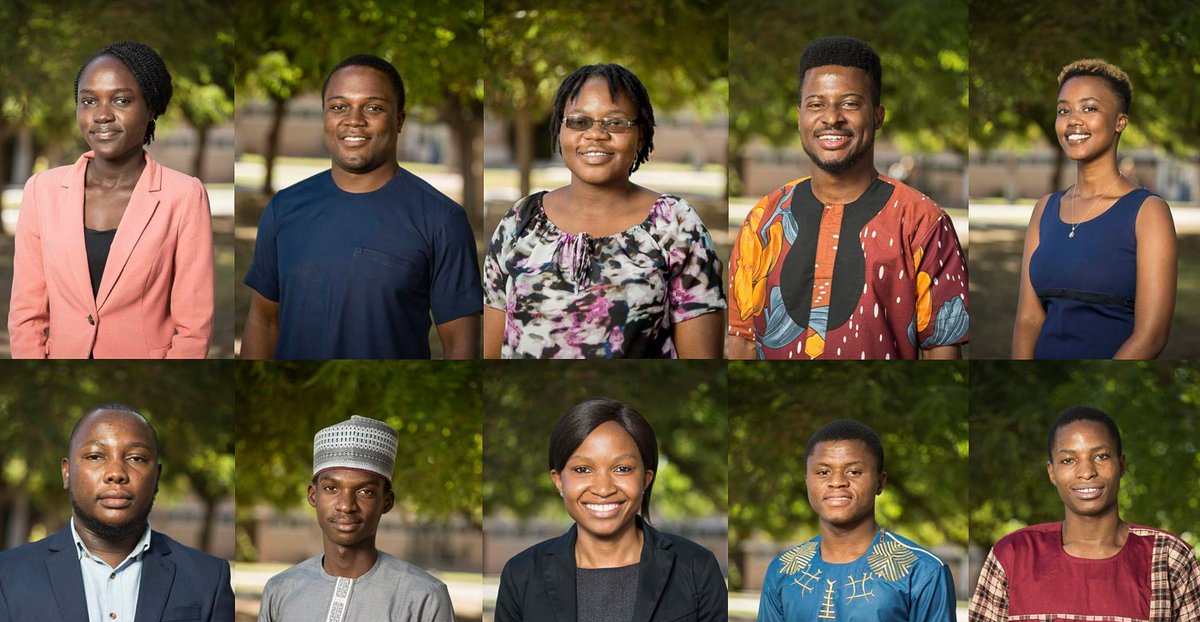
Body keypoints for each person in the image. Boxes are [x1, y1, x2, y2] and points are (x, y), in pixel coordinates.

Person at [727, 37, 969, 360]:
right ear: (799, 116)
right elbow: (742, 341)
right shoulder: (764, 219)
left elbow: (942, 349)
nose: (831, 118)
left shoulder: (922, 221)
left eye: (850, 103)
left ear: (878, 115)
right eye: (816, 104)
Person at [487, 398, 727, 622]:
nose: (603, 488)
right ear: (559, 481)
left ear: (646, 478)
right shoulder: (522, 575)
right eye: (583, 469)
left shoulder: (695, 568)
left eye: (622, 469)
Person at [0, 404, 234, 622]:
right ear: (67, 472)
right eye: (96, 456)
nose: (116, 473)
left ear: (157, 476)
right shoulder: (10, 576)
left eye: (136, 458)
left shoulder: (208, 579)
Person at [242, 54, 482, 359]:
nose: (354, 119)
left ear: (399, 120)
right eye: (339, 107)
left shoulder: (442, 220)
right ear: (325, 116)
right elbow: (264, 320)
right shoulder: (283, 208)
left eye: (373, 107)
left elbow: (459, 345)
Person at [968, 406, 1200, 622]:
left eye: (1101, 456)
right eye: (1068, 460)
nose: (1086, 471)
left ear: (1121, 464)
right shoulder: (1011, 556)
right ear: (1052, 473)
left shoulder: (1170, 558)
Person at [483, 64, 726, 359]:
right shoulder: (519, 221)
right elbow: (492, 353)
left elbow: (701, 359)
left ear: (641, 134)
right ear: (560, 130)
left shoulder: (675, 225)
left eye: (615, 123)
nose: (596, 134)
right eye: (579, 122)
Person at [243, 415, 466, 622]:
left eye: (365, 491)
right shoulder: (281, 590)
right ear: (313, 495)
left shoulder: (423, 597)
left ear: (387, 501)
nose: (346, 505)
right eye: (332, 489)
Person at [8, 41, 214, 359]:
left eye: (121, 100)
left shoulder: (184, 196)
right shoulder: (41, 191)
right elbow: (26, 316)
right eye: (88, 101)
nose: (102, 115)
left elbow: (193, 328)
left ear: (151, 108)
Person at [745, 420, 959, 622]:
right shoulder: (784, 571)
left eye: (854, 471)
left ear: (880, 482)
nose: (837, 482)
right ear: (807, 480)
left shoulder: (921, 572)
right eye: (822, 472)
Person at [1012, 60, 1177, 359]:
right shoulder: (1044, 209)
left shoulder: (1148, 212)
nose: (1073, 120)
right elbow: (1028, 319)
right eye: (1064, 110)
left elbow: (1151, 337)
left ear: (1120, 122)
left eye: (1089, 108)